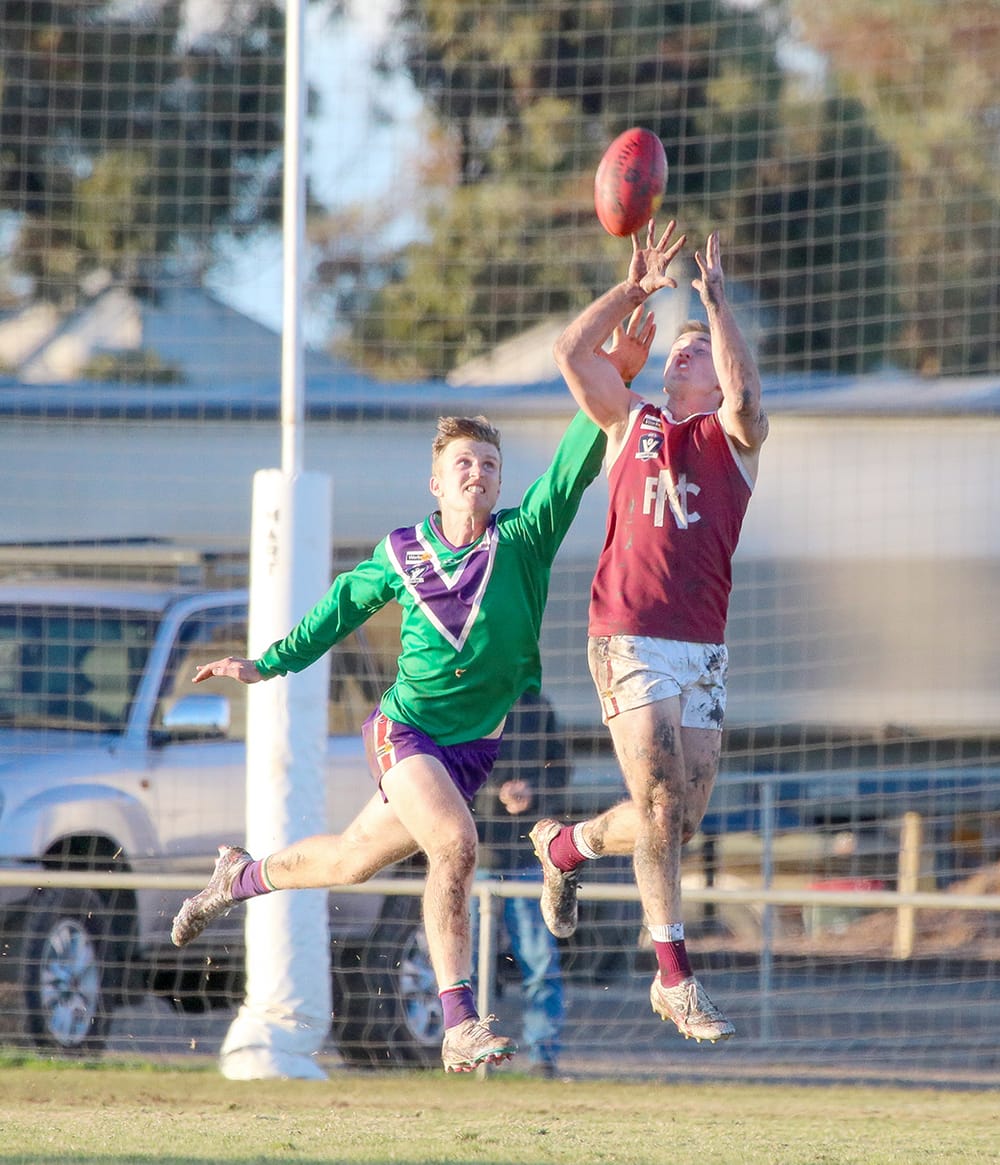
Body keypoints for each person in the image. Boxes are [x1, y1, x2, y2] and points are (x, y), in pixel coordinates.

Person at [170, 409, 606, 1074]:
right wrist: (267, 661)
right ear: (435, 480)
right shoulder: (402, 551)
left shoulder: (523, 537)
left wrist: (607, 387)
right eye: (463, 462)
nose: (478, 473)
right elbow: (340, 607)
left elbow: (572, 469)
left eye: (489, 464)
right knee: (457, 844)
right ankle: (459, 1021)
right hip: (406, 731)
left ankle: (239, 877)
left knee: (350, 861)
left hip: (469, 754)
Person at [529, 220, 769, 1044]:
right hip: (626, 630)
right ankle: (674, 977)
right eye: (676, 349)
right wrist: (633, 291)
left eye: (692, 352)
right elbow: (570, 351)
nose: (679, 356)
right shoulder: (628, 421)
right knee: (663, 805)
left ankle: (568, 846)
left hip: (700, 645)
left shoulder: (733, 441)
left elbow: (745, 397)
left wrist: (714, 305)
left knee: (676, 816)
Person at [471, 690, 568, 1078]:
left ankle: (542, 1056)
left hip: (527, 857)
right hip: (478, 857)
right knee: (467, 962)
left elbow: (560, 769)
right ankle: (471, 1049)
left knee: (540, 960)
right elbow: (446, 772)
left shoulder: (538, 706)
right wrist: (495, 796)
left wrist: (534, 790)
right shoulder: (471, 699)